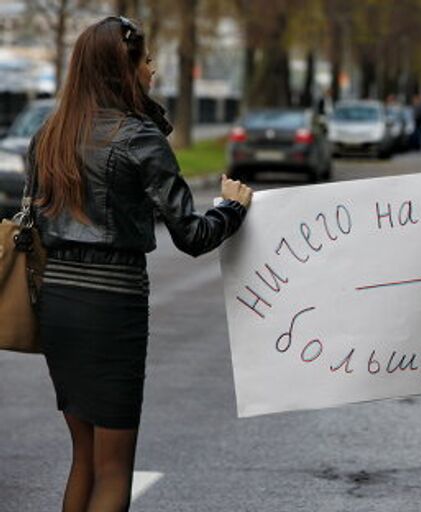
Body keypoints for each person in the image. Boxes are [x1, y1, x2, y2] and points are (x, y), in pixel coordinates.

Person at [27, 16, 253, 511]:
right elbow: (192, 236)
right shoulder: (139, 137)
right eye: (146, 59)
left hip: (57, 302)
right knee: (113, 469)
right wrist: (232, 209)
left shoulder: (50, 135)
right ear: (122, 68)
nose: (153, 69)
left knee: (83, 459)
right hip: (112, 307)